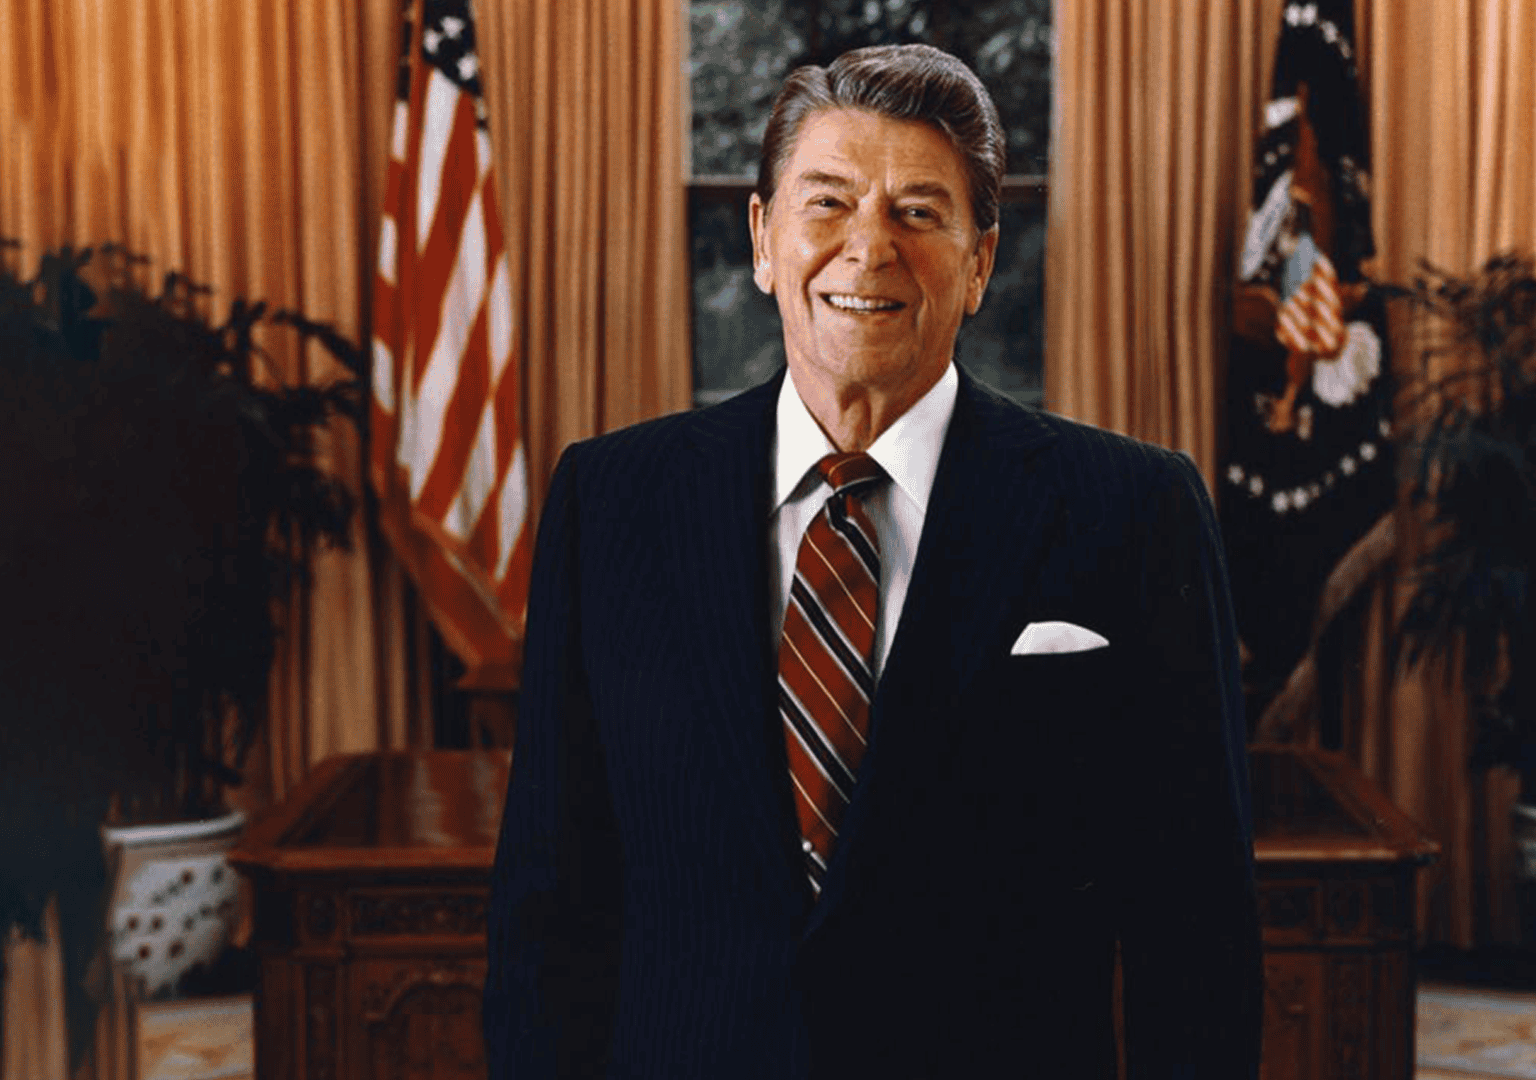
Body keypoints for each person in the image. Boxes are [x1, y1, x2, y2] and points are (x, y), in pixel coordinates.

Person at [485, 43, 1261, 1080]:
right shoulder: (610, 503)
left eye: (918, 212)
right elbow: (549, 913)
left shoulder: (1133, 511)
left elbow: (1194, 932)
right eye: (829, 202)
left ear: (981, 261)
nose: (869, 249)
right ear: (763, 240)